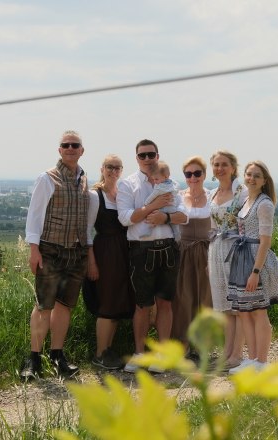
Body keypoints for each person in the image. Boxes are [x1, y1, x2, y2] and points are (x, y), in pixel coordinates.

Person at [20, 130, 96, 380]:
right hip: (50, 250)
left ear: (82, 150)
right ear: (59, 150)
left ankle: (57, 356)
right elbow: (35, 214)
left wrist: (86, 248)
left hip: (76, 253)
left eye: (75, 145)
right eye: (66, 145)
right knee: (43, 306)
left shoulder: (84, 180)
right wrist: (34, 249)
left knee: (65, 307)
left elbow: (86, 221)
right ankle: (33, 359)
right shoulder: (48, 178)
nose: (71, 148)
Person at [117, 139, 188, 373]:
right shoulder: (128, 184)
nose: (147, 159)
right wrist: (152, 206)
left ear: (158, 155)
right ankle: (139, 355)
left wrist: (165, 218)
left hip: (168, 246)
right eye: (142, 155)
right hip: (141, 249)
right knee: (142, 304)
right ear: (136, 158)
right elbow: (125, 218)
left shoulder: (171, 183)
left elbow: (184, 216)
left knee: (165, 303)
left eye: (151, 154)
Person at [228, 160, 278, 373]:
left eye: (257, 175)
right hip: (242, 257)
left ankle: (262, 362)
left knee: (259, 312)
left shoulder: (264, 203)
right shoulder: (248, 199)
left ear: (264, 180)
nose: (252, 178)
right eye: (249, 174)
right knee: (245, 311)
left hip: (256, 259)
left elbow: (265, 240)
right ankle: (252, 359)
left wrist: (255, 272)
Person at [86, 154, 134, 370]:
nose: (113, 171)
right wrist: (91, 262)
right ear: (102, 168)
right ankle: (99, 353)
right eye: (109, 167)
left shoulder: (122, 194)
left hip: (122, 252)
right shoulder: (95, 196)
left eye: (117, 167)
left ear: (122, 170)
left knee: (116, 302)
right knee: (106, 302)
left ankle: (108, 350)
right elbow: (86, 232)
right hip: (105, 252)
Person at [208, 150, 248, 369]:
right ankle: (226, 352)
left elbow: (249, 224)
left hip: (236, 249)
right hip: (215, 250)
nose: (220, 168)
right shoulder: (212, 193)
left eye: (224, 164)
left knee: (238, 305)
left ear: (233, 167)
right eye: (216, 164)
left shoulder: (241, 193)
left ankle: (237, 354)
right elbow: (212, 227)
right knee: (223, 306)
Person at [171, 156, 213, 354]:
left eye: (197, 173)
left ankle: (202, 343)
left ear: (204, 175)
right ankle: (182, 341)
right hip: (184, 251)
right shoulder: (178, 196)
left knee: (205, 298)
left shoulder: (212, 196)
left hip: (206, 251)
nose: (193, 177)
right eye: (188, 174)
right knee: (183, 297)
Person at [141, 161, 180, 240]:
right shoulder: (172, 183)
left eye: (156, 179)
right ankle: (178, 236)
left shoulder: (160, 188)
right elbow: (177, 188)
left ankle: (148, 231)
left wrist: (146, 203)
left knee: (152, 215)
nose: (155, 181)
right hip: (172, 208)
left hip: (164, 208)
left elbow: (152, 196)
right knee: (174, 225)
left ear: (165, 177)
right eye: (154, 179)